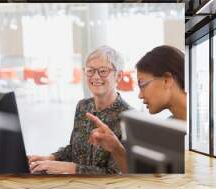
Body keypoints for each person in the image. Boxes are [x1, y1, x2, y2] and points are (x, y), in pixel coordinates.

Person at [28, 45, 131, 174]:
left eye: (103, 71)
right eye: (90, 71)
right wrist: (51, 158)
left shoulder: (129, 118)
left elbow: (114, 174)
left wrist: (70, 168)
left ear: (119, 76)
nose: (95, 76)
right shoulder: (83, 106)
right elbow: (75, 149)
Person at [87, 45, 186, 173]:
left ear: (167, 80)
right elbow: (148, 176)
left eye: (142, 85)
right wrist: (116, 148)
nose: (140, 95)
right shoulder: (172, 128)